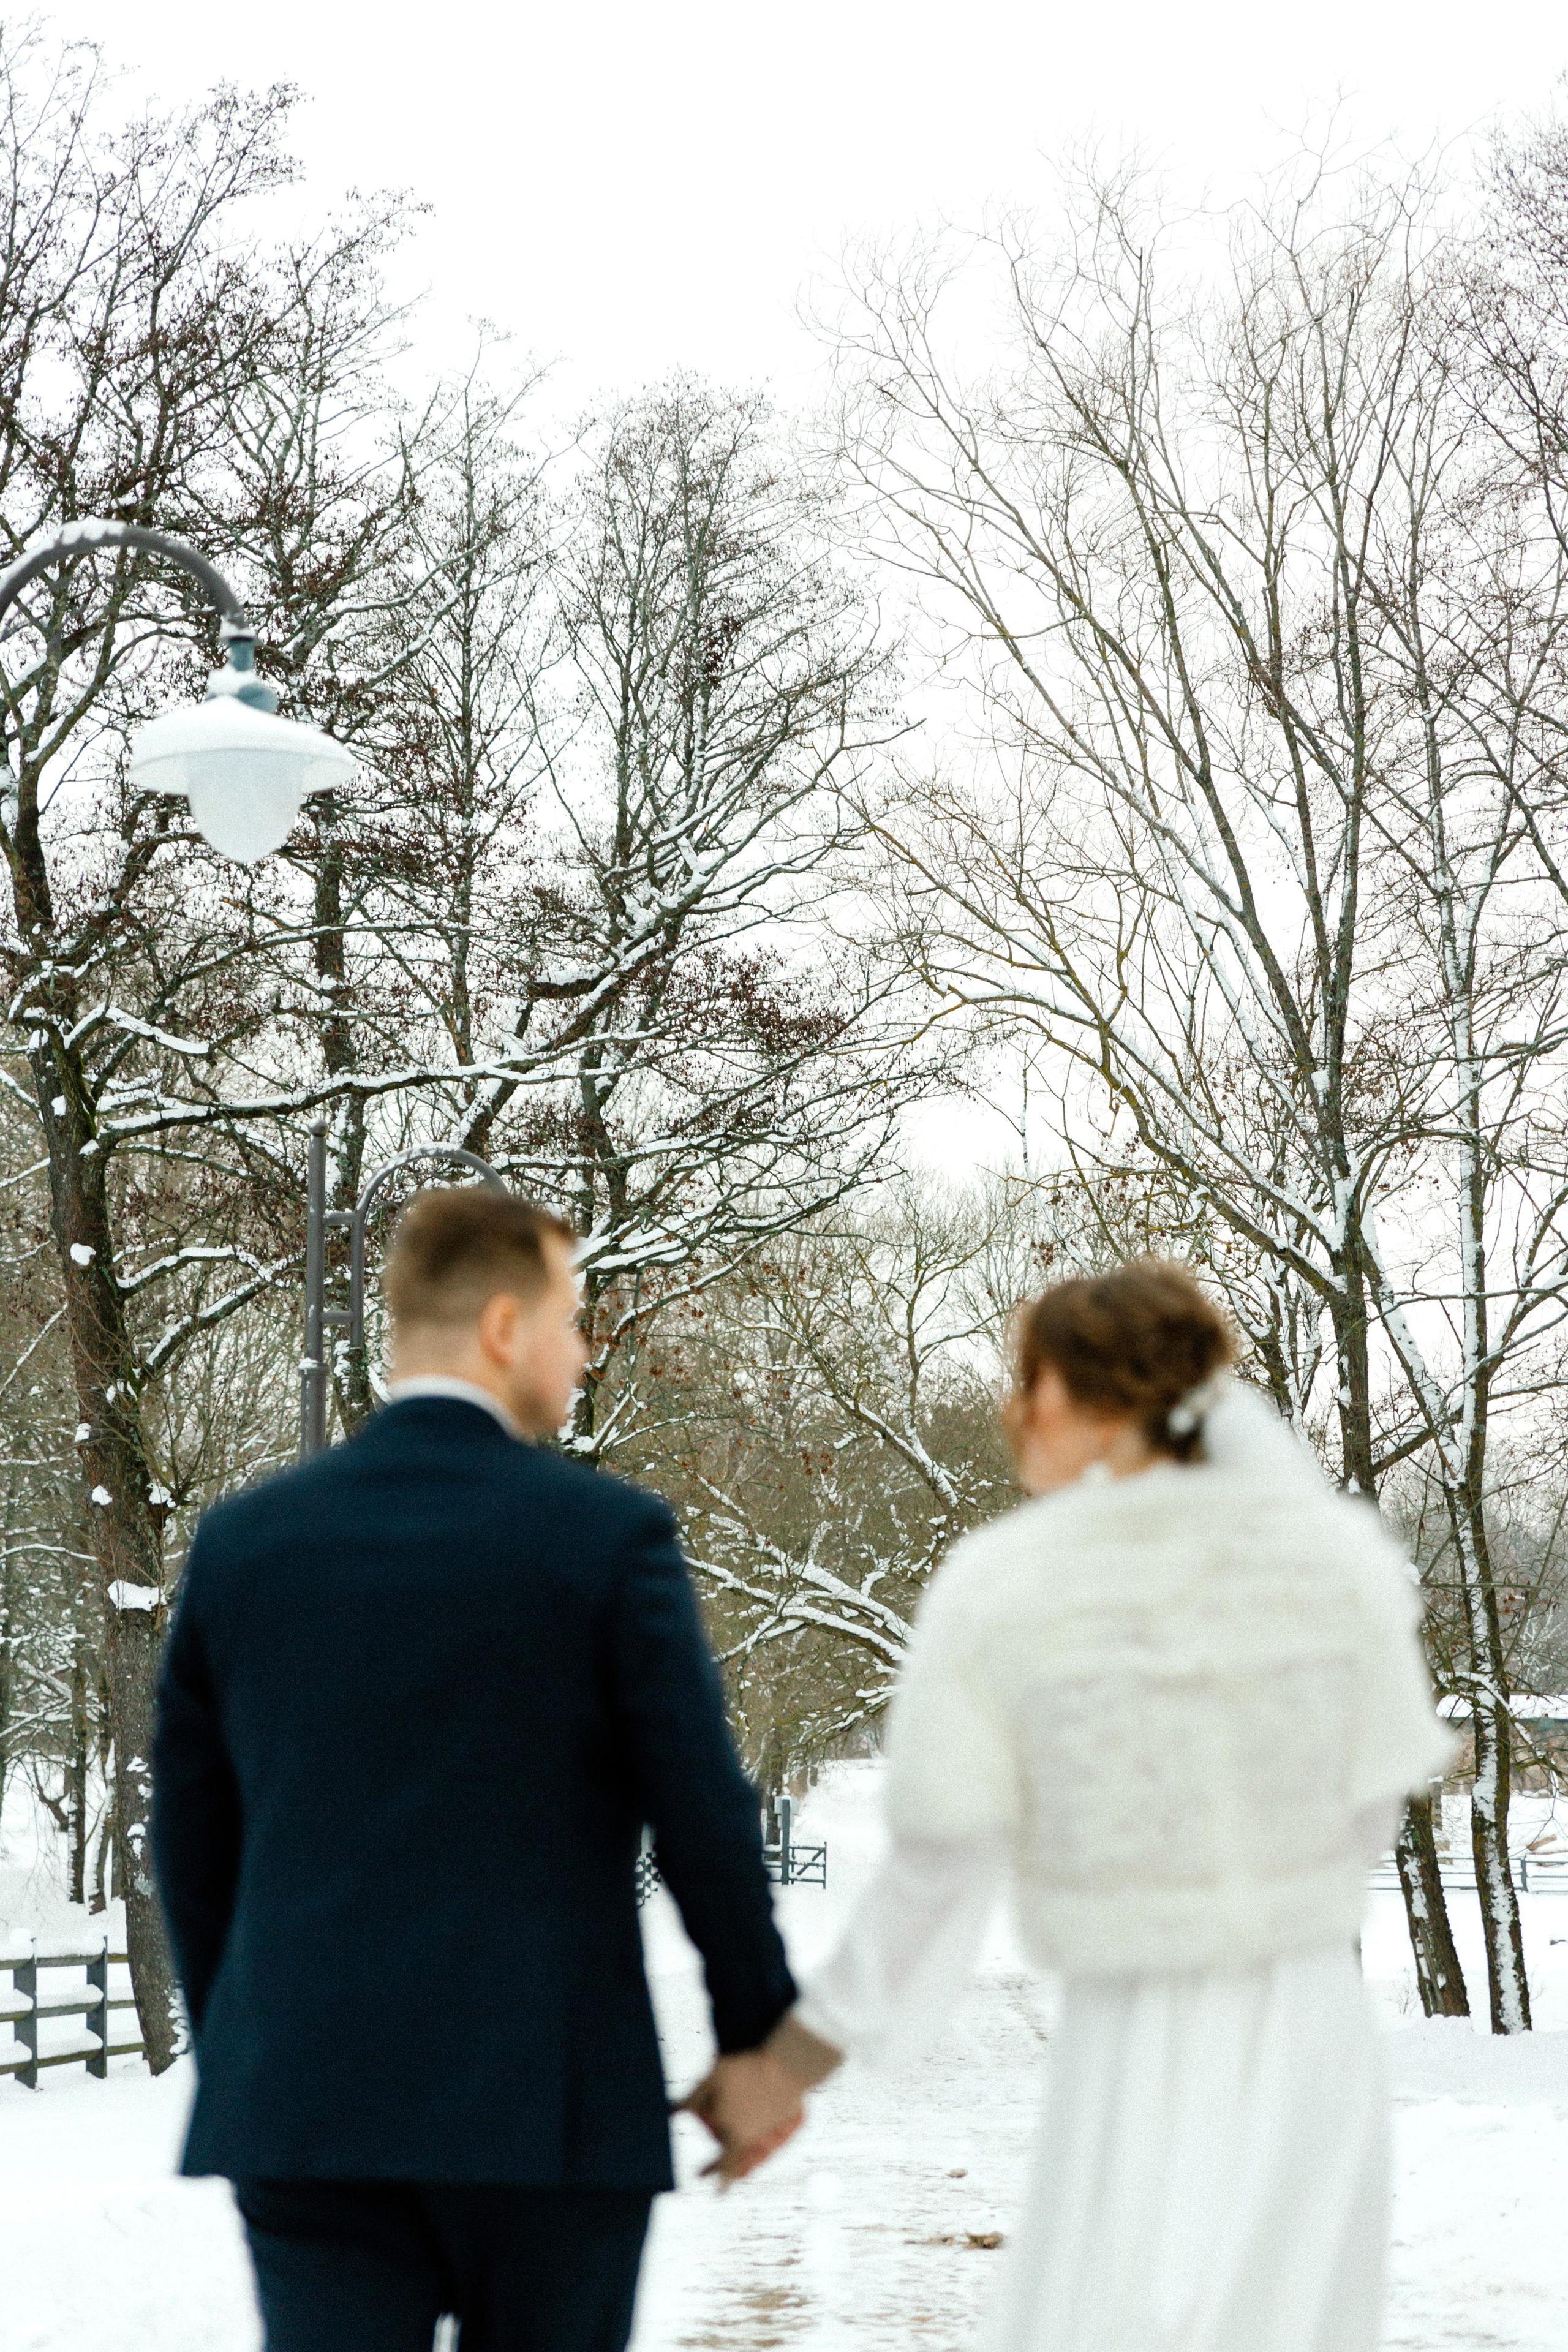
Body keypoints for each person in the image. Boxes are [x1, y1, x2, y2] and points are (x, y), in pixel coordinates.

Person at [689, 1261, 1456, 2350]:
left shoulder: (1008, 1584)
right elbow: (1366, 1816)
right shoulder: (1338, 1570)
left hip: (1139, 2049)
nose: (1012, 1412)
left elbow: (940, 1867)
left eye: (1030, 1383)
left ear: (1101, 1401)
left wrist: (791, 2063)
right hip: (1313, 2049)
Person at [152, 1186, 799, 2352]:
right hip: (546, 2110)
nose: (586, 1353)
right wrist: (757, 2042)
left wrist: (261, 2041)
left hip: (312, 2106)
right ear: (506, 1327)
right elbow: (703, 1814)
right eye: (577, 1318)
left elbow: (193, 1845)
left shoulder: (246, 1545)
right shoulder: (605, 1539)